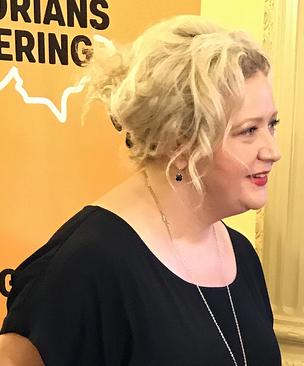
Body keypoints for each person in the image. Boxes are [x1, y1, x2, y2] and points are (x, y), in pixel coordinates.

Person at [0, 15, 282, 365]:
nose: (272, 151)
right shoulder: (85, 266)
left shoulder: (242, 255)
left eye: (271, 125)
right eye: (248, 131)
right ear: (180, 141)